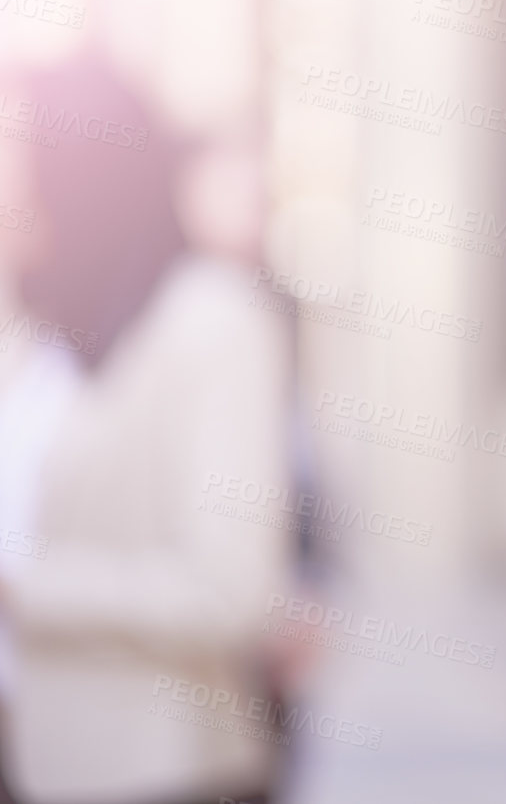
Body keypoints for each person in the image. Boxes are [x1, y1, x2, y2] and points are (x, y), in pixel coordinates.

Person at [0, 59, 294, 804]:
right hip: (32, 759)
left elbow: (229, 590)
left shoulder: (212, 318)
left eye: (19, 149)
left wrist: (22, 584)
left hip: (161, 767)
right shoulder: (34, 329)